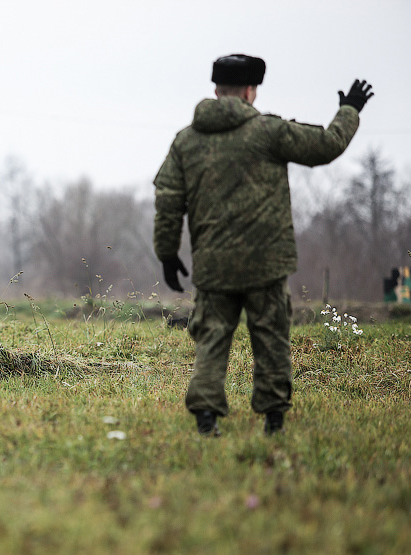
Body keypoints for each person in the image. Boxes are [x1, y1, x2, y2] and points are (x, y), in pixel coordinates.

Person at [153, 54, 373, 436]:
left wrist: (167, 254)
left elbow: (169, 201)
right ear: (251, 91)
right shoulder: (270, 132)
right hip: (266, 263)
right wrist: (349, 110)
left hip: (214, 264)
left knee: (212, 338)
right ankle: (273, 419)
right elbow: (326, 145)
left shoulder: (185, 141)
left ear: (216, 90)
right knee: (271, 339)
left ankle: (206, 417)